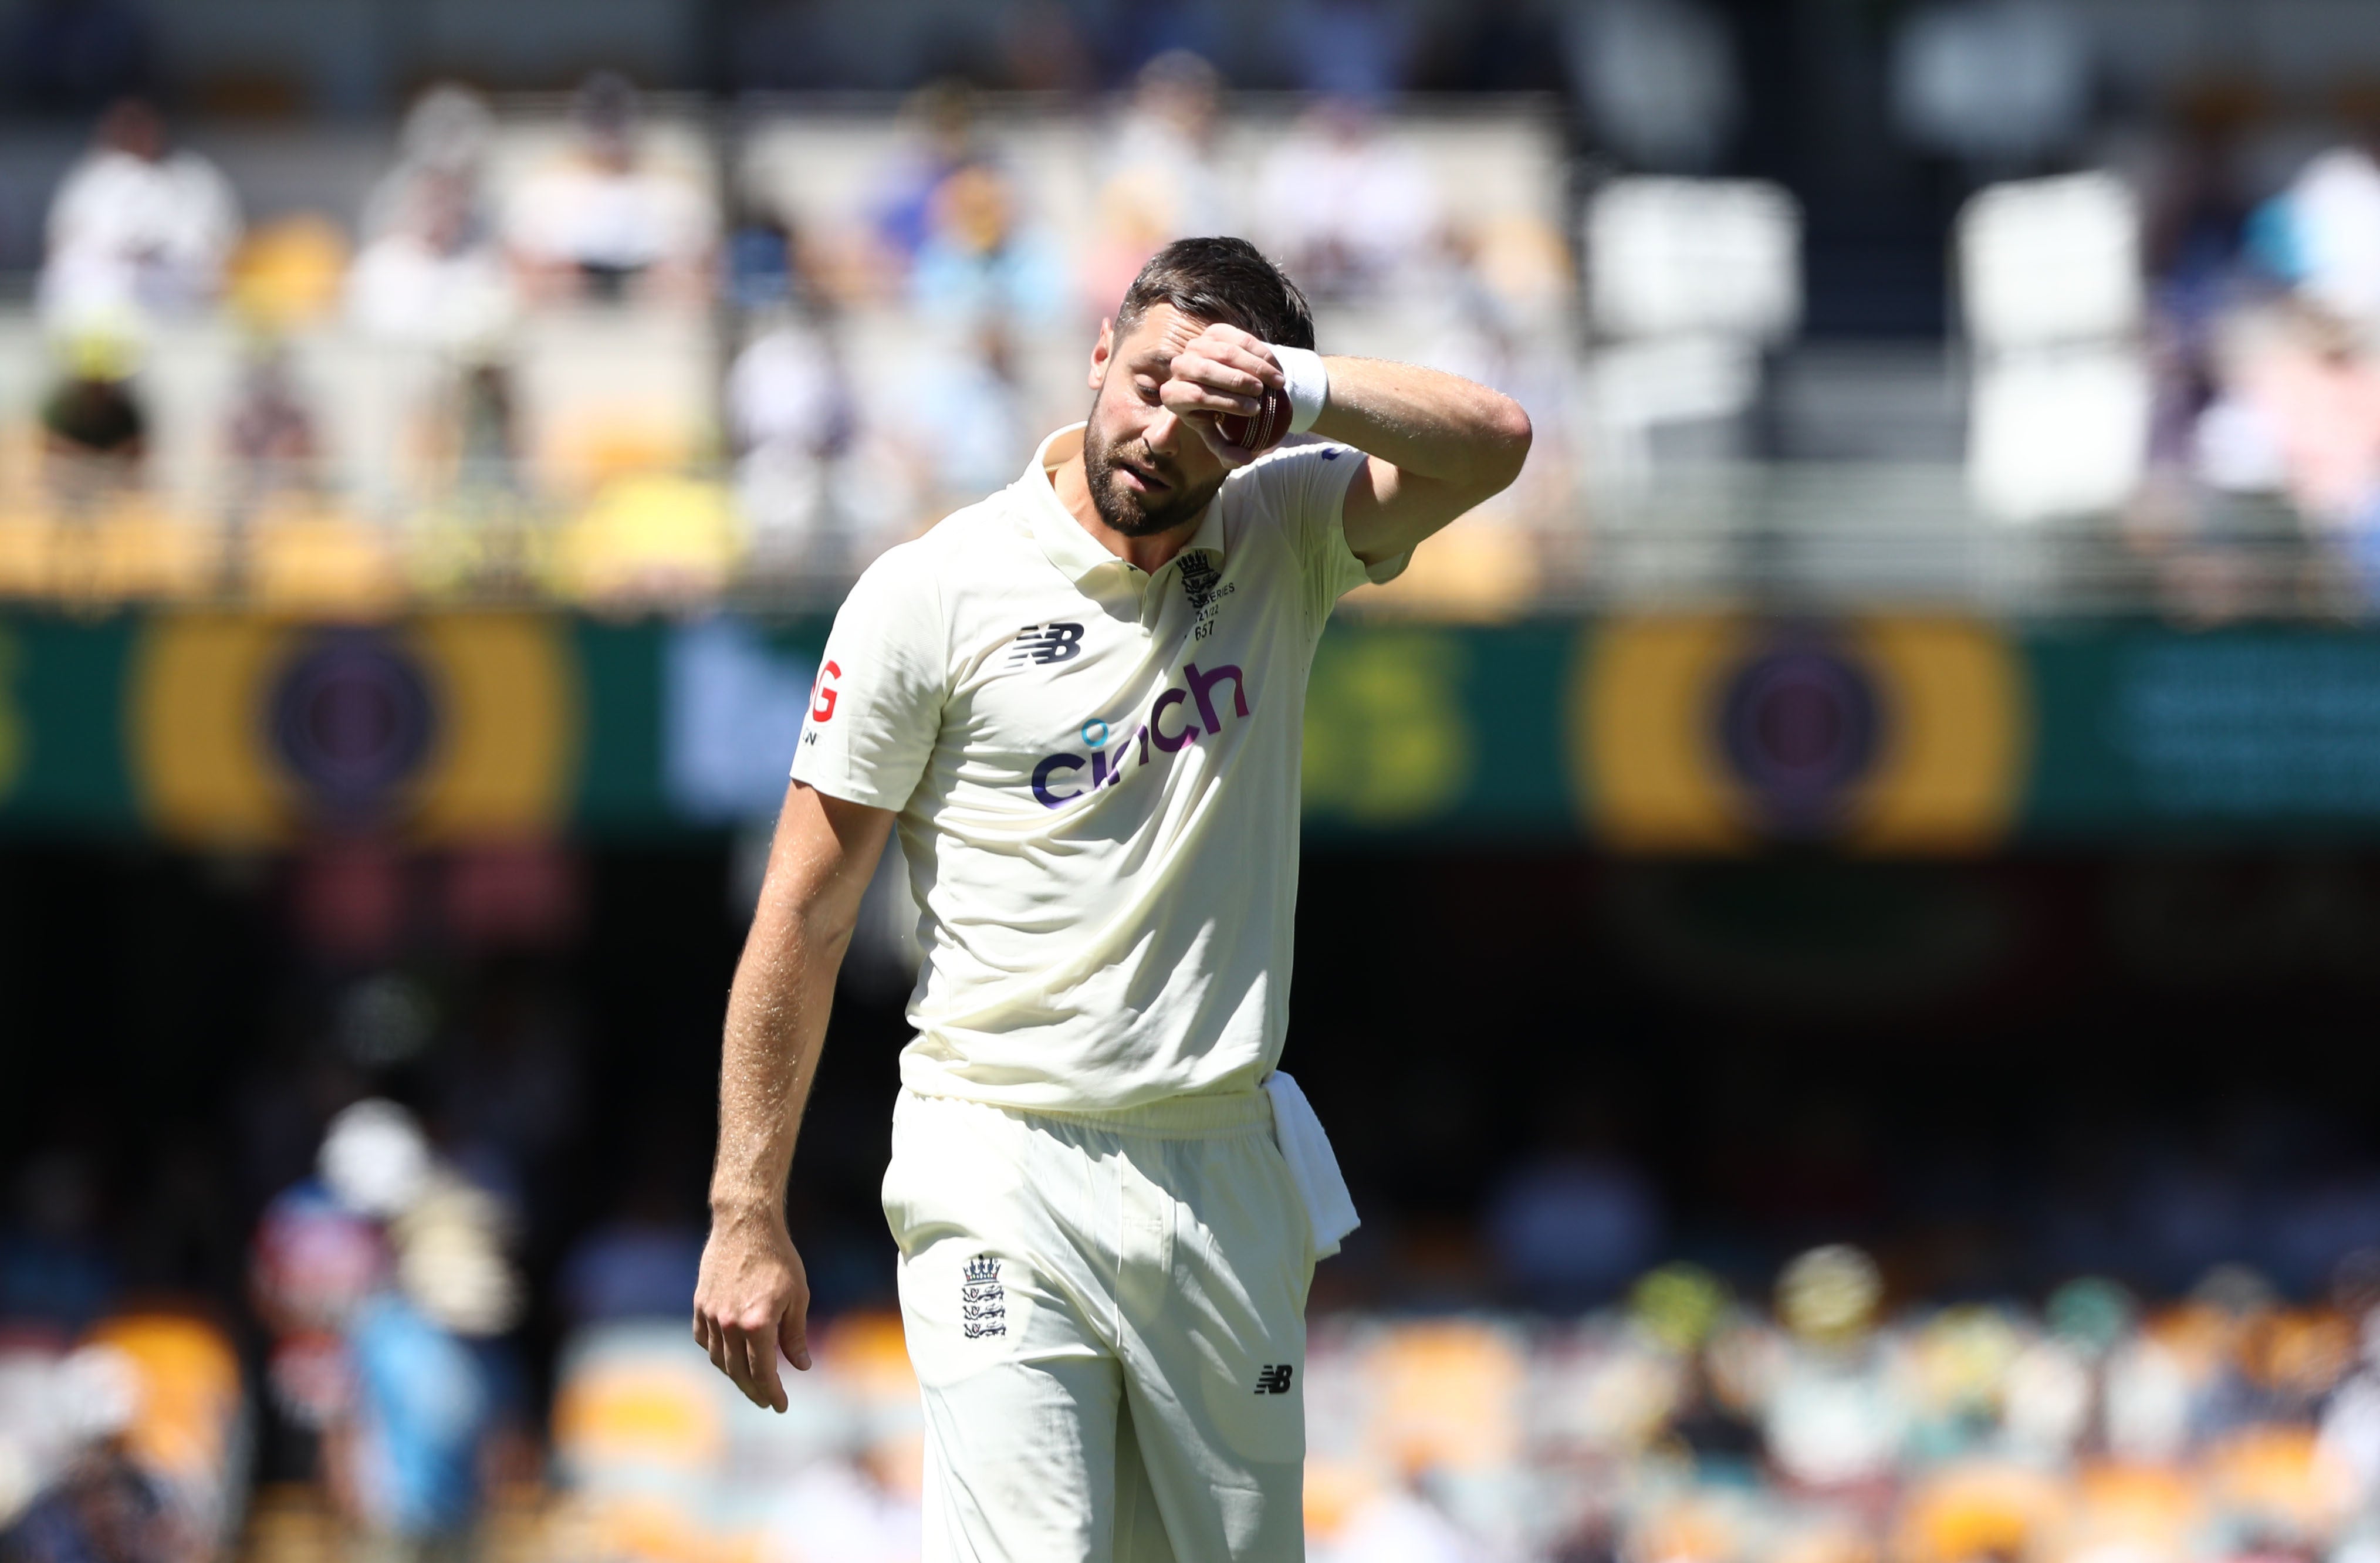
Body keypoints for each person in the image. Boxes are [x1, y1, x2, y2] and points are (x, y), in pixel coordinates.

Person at [692, 235, 1530, 1560]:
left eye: (1205, 418)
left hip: (1220, 1170)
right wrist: (749, 1211)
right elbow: (801, 912)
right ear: (1098, 352)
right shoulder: (931, 592)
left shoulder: (1286, 532)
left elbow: (1492, 439)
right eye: (1146, 381)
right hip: (998, 1153)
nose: (1158, 433)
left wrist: (1290, 394)